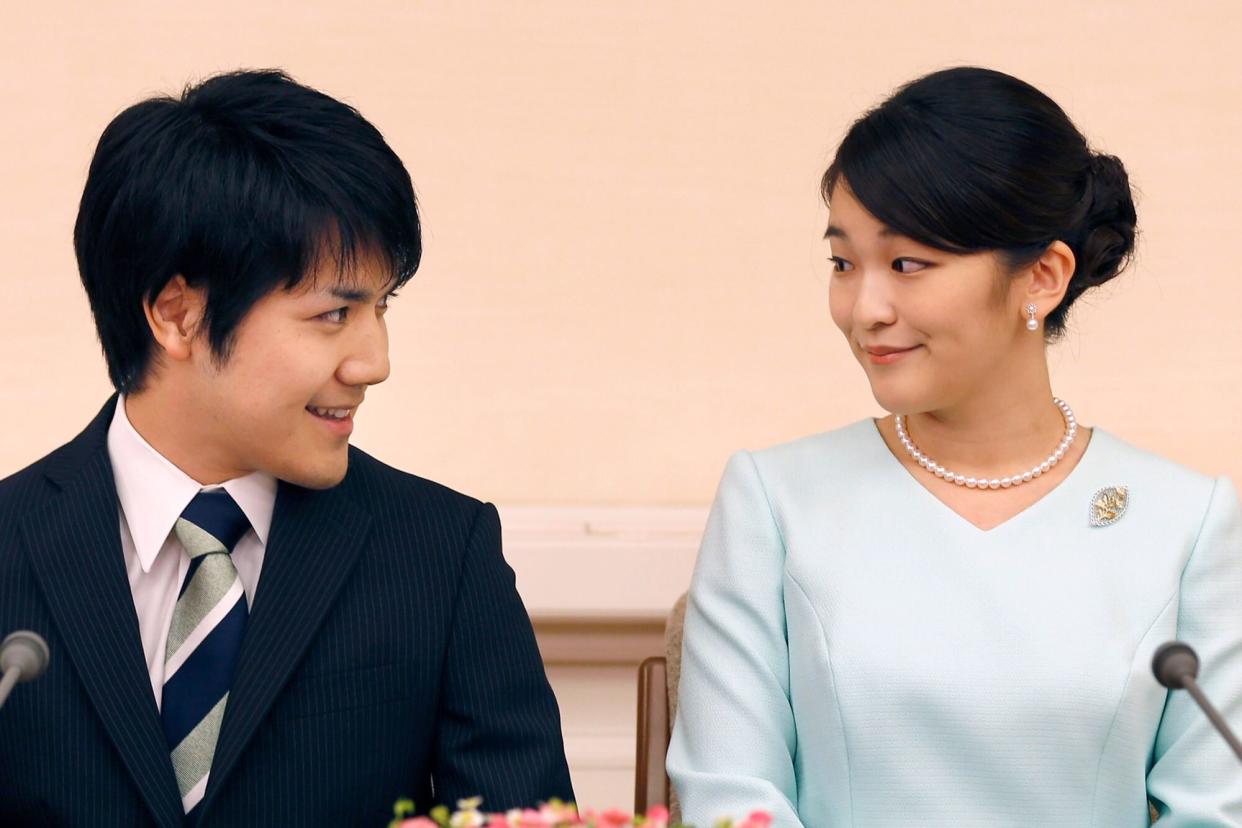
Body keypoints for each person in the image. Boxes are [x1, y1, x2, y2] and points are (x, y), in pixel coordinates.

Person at [667, 66, 1242, 826]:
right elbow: (729, 801)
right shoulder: (774, 502)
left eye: (908, 264)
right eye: (843, 263)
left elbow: (1214, 810)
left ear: (1042, 276)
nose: (864, 309)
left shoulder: (1188, 524)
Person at [0, 70, 573, 827]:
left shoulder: (441, 554)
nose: (374, 362)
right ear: (177, 315)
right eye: (335, 314)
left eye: (381, 307)